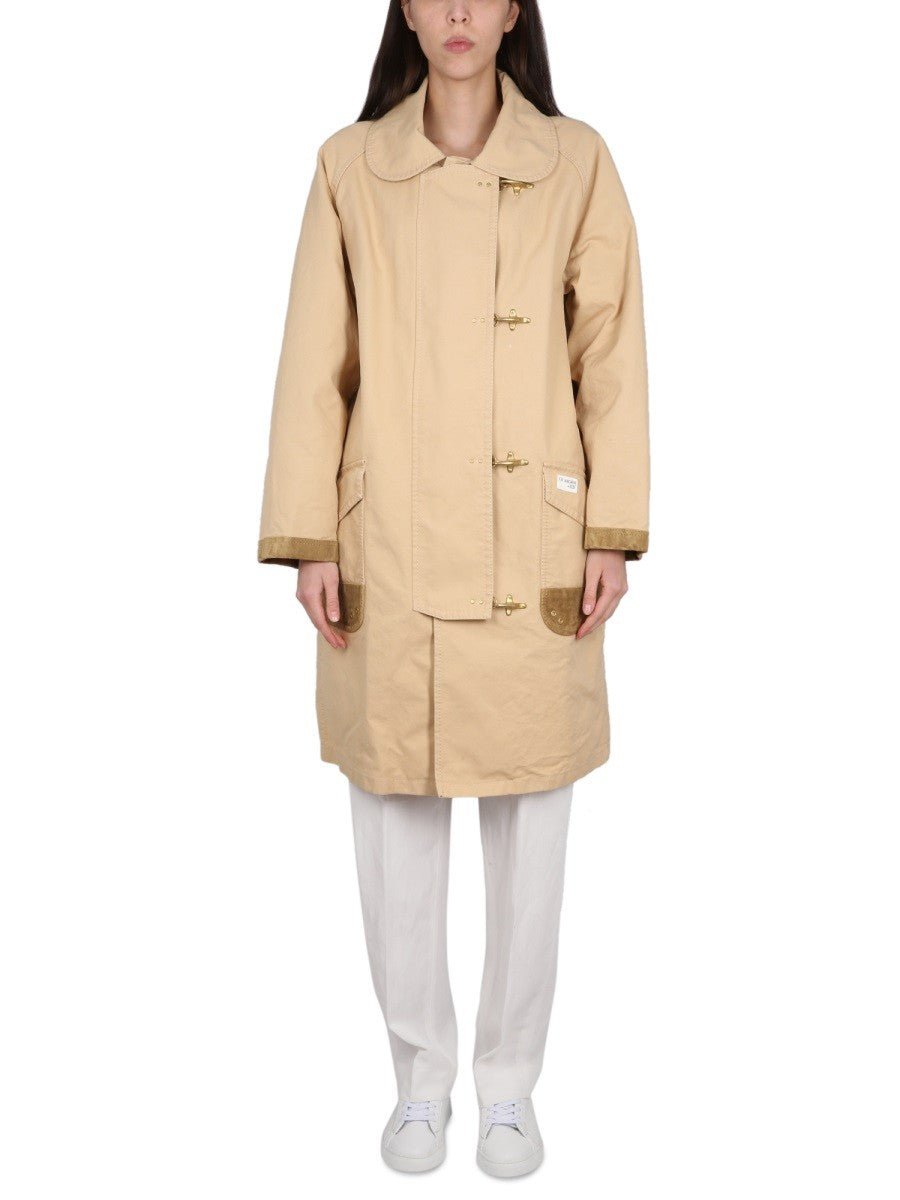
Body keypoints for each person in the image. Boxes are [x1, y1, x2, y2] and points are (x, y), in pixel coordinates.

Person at [256, 0, 650, 1178]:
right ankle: (419, 1084)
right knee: (396, 817)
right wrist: (310, 539)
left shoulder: (576, 161)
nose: (460, 12)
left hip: (536, 545)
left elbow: (612, 352)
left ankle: (510, 1088)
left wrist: (613, 528)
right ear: (407, 10)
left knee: (533, 826)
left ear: (517, 7)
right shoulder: (350, 166)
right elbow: (313, 364)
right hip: (392, 540)